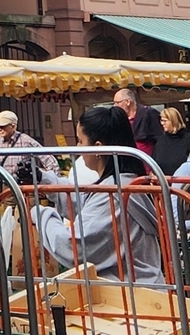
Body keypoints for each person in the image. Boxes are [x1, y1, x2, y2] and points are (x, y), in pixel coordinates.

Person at [30, 105, 165, 282]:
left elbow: (73, 248)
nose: (78, 148)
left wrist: (40, 214)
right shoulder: (124, 182)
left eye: (80, 141)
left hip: (132, 292)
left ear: (98, 148)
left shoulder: (114, 193)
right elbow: (85, 203)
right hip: (142, 287)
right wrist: (43, 179)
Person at [0, 111, 52, 188]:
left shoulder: (26, 140)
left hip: (24, 186)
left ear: (13, 126)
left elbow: (48, 159)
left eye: (3, 126)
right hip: (7, 186)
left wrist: (52, 182)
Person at [113, 87, 162, 170]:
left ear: (128, 102)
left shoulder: (148, 113)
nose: (115, 106)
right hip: (129, 166)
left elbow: (160, 140)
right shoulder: (119, 119)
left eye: (117, 102)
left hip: (149, 166)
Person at [151, 104, 190, 175]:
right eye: (161, 120)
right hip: (162, 179)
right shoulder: (161, 140)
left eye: (165, 121)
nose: (162, 123)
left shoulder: (189, 140)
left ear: (173, 121)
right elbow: (154, 162)